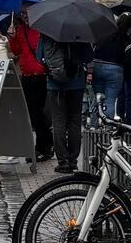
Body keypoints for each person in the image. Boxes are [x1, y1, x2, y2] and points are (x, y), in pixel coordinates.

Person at [36, 30, 91, 173]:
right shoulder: (81, 32)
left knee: (58, 122)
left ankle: (63, 161)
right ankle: (73, 160)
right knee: (75, 121)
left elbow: (39, 56)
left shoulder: (48, 32)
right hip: (77, 83)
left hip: (55, 85)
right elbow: (89, 56)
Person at [6, 9, 53, 164]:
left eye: (28, 15)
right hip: (26, 75)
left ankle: (44, 146)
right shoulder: (21, 30)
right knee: (32, 113)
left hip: (39, 75)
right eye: (23, 15)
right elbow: (16, 51)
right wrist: (12, 38)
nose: (25, 18)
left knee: (37, 113)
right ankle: (42, 145)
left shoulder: (40, 30)